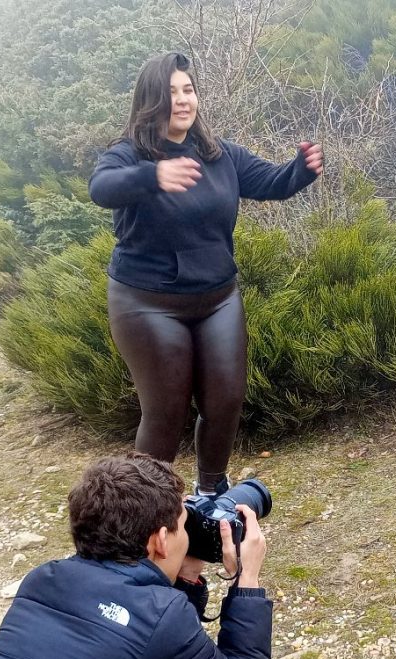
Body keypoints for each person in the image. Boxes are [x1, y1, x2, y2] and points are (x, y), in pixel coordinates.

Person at [88, 52, 323, 494]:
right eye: (171, 92)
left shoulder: (219, 154)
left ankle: (211, 494)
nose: (183, 100)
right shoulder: (127, 155)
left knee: (226, 400)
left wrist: (301, 170)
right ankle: (149, 506)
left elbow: (271, 182)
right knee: (166, 412)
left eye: (189, 90)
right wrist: (152, 176)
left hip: (218, 298)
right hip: (147, 302)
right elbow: (101, 189)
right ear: (151, 101)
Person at [0, 453, 271, 659]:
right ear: (160, 541)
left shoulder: (41, 580)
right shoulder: (164, 617)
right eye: (183, 525)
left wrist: (188, 575)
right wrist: (247, 580)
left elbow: (157, 654)